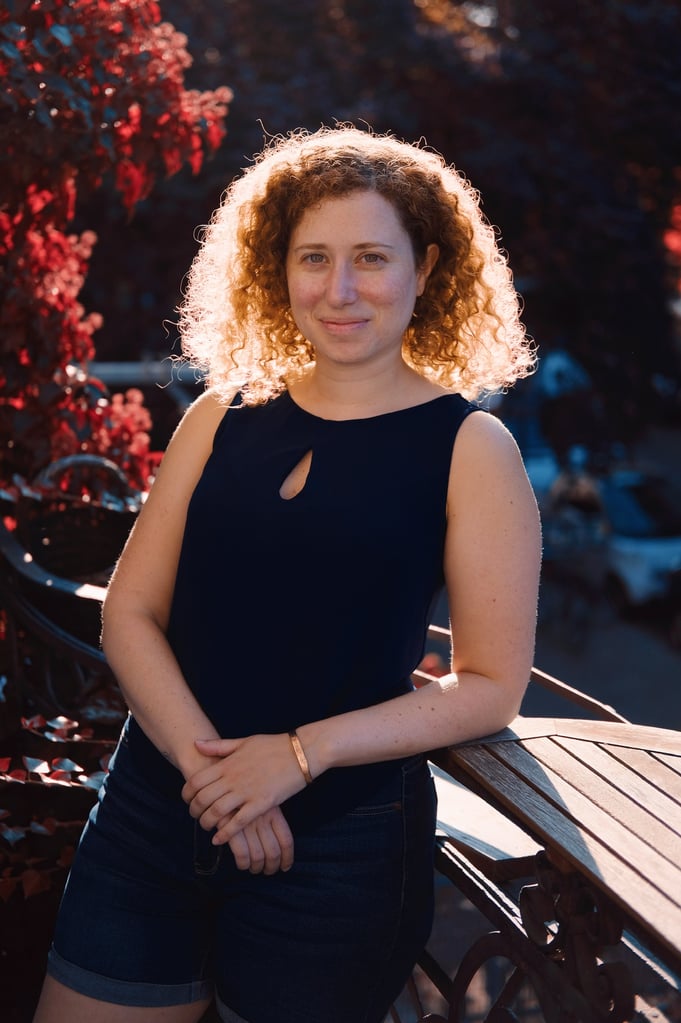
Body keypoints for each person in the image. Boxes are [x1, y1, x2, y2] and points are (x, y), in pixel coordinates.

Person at [33, 125, 542, 1023]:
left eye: (371, 258)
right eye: (313, 257)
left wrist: (298, 758)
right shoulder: (219, 416)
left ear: (425, 268)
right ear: (280, 271)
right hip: (153, 813)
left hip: (339, 848)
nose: (339, 290)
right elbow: (130, 612)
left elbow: (491, 686)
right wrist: (218, 780)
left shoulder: (470, 447)